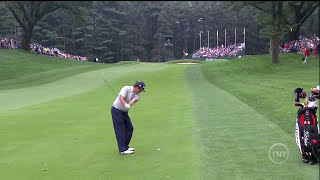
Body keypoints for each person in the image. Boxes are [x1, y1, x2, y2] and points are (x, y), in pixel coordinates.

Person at [111, 81, 146, 155]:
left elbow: (132, 101)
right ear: (136, 87)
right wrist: (124, 104)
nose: (140, 91)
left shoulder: (138, 96)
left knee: (130, 128)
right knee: (120, 129)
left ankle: (125, 146)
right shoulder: (126, 88)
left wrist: (128, 105)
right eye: (140, 89)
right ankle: (122, 150)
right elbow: (121, 97)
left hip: (124, 112)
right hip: (116, 110)